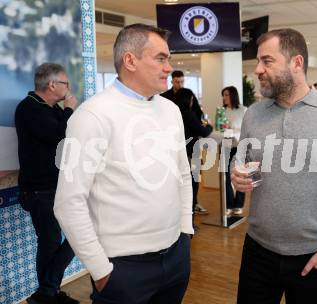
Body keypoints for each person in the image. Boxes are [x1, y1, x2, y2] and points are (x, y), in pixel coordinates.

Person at [54, 24, 193, 303]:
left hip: (176, 256)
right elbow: (68, 203)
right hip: (123, 269)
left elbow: (182, 174)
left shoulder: (171, 110)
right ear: (130, 60)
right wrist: (101, 271)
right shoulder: (92, 115)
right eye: (160, 58)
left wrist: (185, 230)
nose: (169, 67)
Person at [231, 28, 317, 304]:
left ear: (296, 63)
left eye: (267, 61)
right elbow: (241, 160)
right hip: (257, 251)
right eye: (258, 61)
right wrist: (237, 174)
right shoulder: (254, 114)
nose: (258, 69)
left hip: (312, 256)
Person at [15, 63, 78, 304]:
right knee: (50, 242)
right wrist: (69, 109)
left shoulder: (48, 108)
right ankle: (48, 292)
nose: (68, 89)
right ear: (52, 85)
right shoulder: (30, 108)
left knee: (71, 237)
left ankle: (47, 291)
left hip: (53, 187)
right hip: (40, 190)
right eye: (66, 83)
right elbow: (60, 135)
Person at [161, 70, 208, 214]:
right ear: (172, 81)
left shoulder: (189, 95)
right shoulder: (164, 97)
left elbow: (198, 114)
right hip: (173, 143)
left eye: (182, 81)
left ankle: (193, 204)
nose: (180, 84)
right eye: (177, 82)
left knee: (194, 176)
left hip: (191, 142)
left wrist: (200, 124)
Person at [176, 88, 213, 228]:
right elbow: (204, 131)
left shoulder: (175, 114)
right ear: (189, 100)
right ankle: (189, 224)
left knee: (183, 190)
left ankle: (183, 224)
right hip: (191, 155)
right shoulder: (189, 115)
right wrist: (209, 125)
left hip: (180, 156)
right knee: (191, 189)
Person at [222, 86, 247, 215]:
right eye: (223, 95)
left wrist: (232, 130)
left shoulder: (243, 110)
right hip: (225, 145)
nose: (224, 98)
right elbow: (219, 127)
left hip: (239, 146)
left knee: (240, 174)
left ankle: (239, 204)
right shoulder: (222, 111)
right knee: (225, 176)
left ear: (233, 95)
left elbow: (246, 129)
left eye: (226, 95)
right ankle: (229, 204)